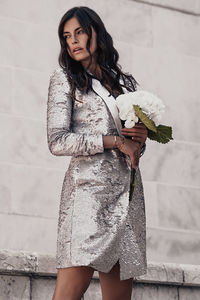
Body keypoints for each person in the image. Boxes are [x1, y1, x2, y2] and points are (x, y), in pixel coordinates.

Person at [47, 6, 148, 300]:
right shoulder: (64, 78)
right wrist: (115, 142)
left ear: (96, 33)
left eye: (79, 32)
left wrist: (140, 140)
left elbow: (134, 147)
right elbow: (57, 141)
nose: (73, 41)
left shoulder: (123, 83)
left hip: (127, 197)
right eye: (67, 36)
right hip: (88, 198)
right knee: (68, 294)